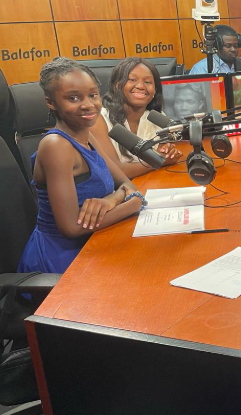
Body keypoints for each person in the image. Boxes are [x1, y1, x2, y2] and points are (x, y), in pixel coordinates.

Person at [17, 57, 145, 274]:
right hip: (62, 258)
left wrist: (112, 199)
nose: (88, 104)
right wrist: (133, 203)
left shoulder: (85, 135)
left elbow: (128, 185)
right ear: (51, 102)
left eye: (93, 95)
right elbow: (72, 228)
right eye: (73, 98)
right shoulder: (56, 146)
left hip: (95, 241)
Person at [91, 57, 182, 179]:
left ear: (155, 90)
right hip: (119, 189)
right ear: (117, 86)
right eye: (132, 80)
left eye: (147, 82)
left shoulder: (156, 117)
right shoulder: (99, 120)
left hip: (149, 182)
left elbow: (163, 152)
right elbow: (114, 172)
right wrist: (157, 161)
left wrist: (167, 151)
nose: (140, 86)